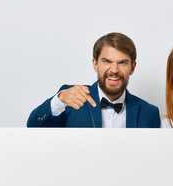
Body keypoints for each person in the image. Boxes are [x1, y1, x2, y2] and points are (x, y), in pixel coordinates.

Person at [27, 32, 160, 128]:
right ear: (95, 64)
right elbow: (33, 126)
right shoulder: (70, 98)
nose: (114, 70)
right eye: (107, 61)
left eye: (122, 63)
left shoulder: (150, 113)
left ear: (132, 67)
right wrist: (59, 100)